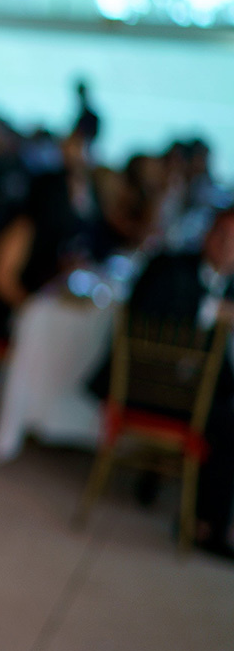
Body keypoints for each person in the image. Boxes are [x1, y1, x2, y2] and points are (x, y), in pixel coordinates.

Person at [89, 210, 234, 560]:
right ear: (206, 235)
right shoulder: (167, 267)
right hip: (144, 386)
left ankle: (165, 482)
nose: (227, 248)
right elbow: (145, 319)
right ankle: (203, 524)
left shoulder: (228, 285)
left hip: (193, 390)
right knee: (228, 421)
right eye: (223, 236)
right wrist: (213, 312)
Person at [0, 127, 101, 340]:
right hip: (5, 317)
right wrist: (39, 312)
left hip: (35, 311)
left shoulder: (61, 235)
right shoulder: (24, 227)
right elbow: (0, 280)